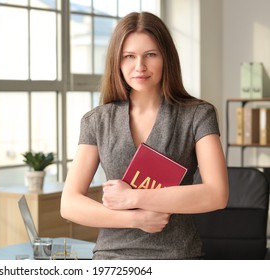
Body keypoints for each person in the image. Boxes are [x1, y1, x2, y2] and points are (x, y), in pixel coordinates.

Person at [60, 11, 229, 260]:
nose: (139, 67)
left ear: (166, 58)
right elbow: (69, 204)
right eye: (129, 56)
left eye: (150, 55)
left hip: (177, 256)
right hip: (112, 257)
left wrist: (133, 197)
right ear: (117, 62)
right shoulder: (97, 120)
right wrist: (135, 218)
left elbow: (217, 194)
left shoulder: (198, 115)